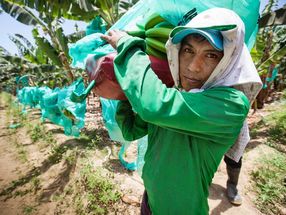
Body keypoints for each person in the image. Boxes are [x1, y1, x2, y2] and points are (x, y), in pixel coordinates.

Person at [101, 8, 262, 215]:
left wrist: (128, 46)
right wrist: (123, 95)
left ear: (227, 61)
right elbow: (132, 131)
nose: (194, 67)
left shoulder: (230, 106)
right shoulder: (175, 95)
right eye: (188, 51)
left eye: (211, 55)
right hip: (150, 201)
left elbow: (152, 106)